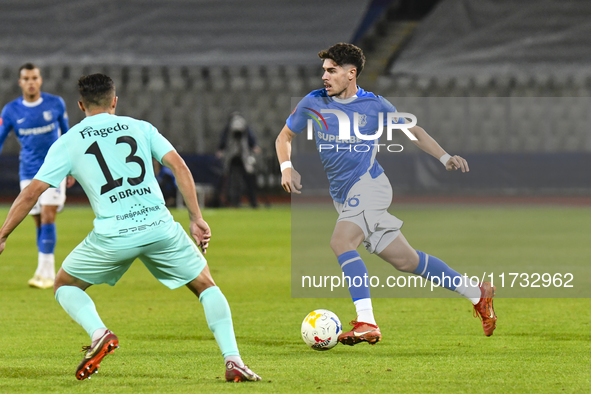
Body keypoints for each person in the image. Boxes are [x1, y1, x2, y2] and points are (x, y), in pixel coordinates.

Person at [0, 73, 261, 382]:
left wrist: (2, 234)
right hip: (159, 226)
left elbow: (32, 191)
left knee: (64, 285)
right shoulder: (140, 127)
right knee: (206, 285)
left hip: (113, 236)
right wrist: (196, 217)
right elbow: (178, 165)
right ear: (115, 101)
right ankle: (233, 361)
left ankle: (99, 333)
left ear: (81, 105)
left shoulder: (68, 141)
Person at [275, 43, 497, 345]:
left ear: (351, 73)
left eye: (331, 70)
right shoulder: (313, 102)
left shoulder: (375, 106)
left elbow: (413, 130)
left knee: (341, 242)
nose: (324, 76)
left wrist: (445, 157)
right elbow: (285, 136)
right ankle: (476, 293)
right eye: (323, 70)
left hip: (369, 185)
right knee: (407, 261)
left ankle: (367, 321)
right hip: (343, 196)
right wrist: (286, 166)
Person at [0, 63, 74, 289]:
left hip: (55, 168)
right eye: (26, 78)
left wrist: (71, 167)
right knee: (38, 221)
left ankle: (48, 274)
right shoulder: (11, 110)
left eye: (34, 78)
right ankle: (43, 271)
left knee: (49, 215)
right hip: (29, 172)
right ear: (20, 82)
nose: (31, 82)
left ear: (40, 80)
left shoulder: (55, 104)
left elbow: (68, 136)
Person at [216, 112, 261, 208]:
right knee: (237, 180)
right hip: (235, 156)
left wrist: (221, 148)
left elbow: (224, 139)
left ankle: (242, 201)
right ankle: (246, 202)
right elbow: (250, 137)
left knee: (245, 180)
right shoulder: (237, 128)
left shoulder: (232, 128)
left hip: (241, 156)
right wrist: (253, 145)